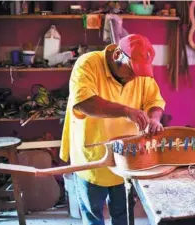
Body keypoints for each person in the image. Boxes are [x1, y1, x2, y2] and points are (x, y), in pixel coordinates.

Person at [59, 34, 166, 225]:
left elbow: (154, 100)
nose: (135, 77)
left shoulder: (140, 75)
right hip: (92, 157)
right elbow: (84, 103)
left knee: (123, 214)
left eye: (139, 73)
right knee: (93, 217)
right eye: (132, 71)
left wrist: (154, 118)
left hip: (126, 158)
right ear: (117, 54)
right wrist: (126, 111)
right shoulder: (88, 64)